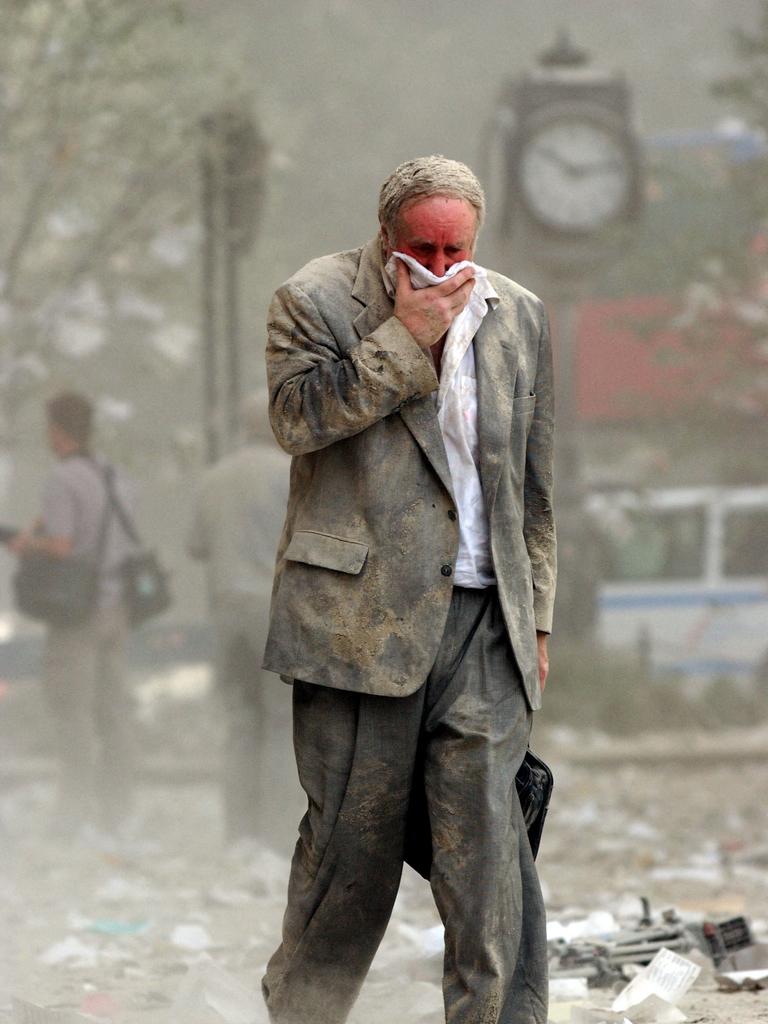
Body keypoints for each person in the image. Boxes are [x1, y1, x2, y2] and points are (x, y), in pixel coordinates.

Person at [261, 156, 556, 1024]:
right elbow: (296, 419)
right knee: (350, 862)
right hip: (357, 626)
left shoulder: (520, 316)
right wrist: (406, 340)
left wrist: (535, 616)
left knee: (490, 856)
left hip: (484, 623)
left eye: (454, 247)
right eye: (419, 247)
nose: (439, 266)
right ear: (386, 236)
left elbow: (535, 491)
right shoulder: (313, 301)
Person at [10, 391, 138, 839]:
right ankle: (119, 812)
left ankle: (73, 814)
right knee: (114, 714)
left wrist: (26, 545)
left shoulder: (62, 478)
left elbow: (64, 546)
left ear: (56, 430)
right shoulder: (114, 475)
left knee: (72, 713)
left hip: (77, 616)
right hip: (115, 608)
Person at [187, 392, 289, 844]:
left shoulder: (214, 477)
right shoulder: (291, 474)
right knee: (280, 720)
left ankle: (238, 832)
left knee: (240, 719)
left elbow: (195, 546)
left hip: (227, 610)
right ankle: (276, 830)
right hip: (273, 609)